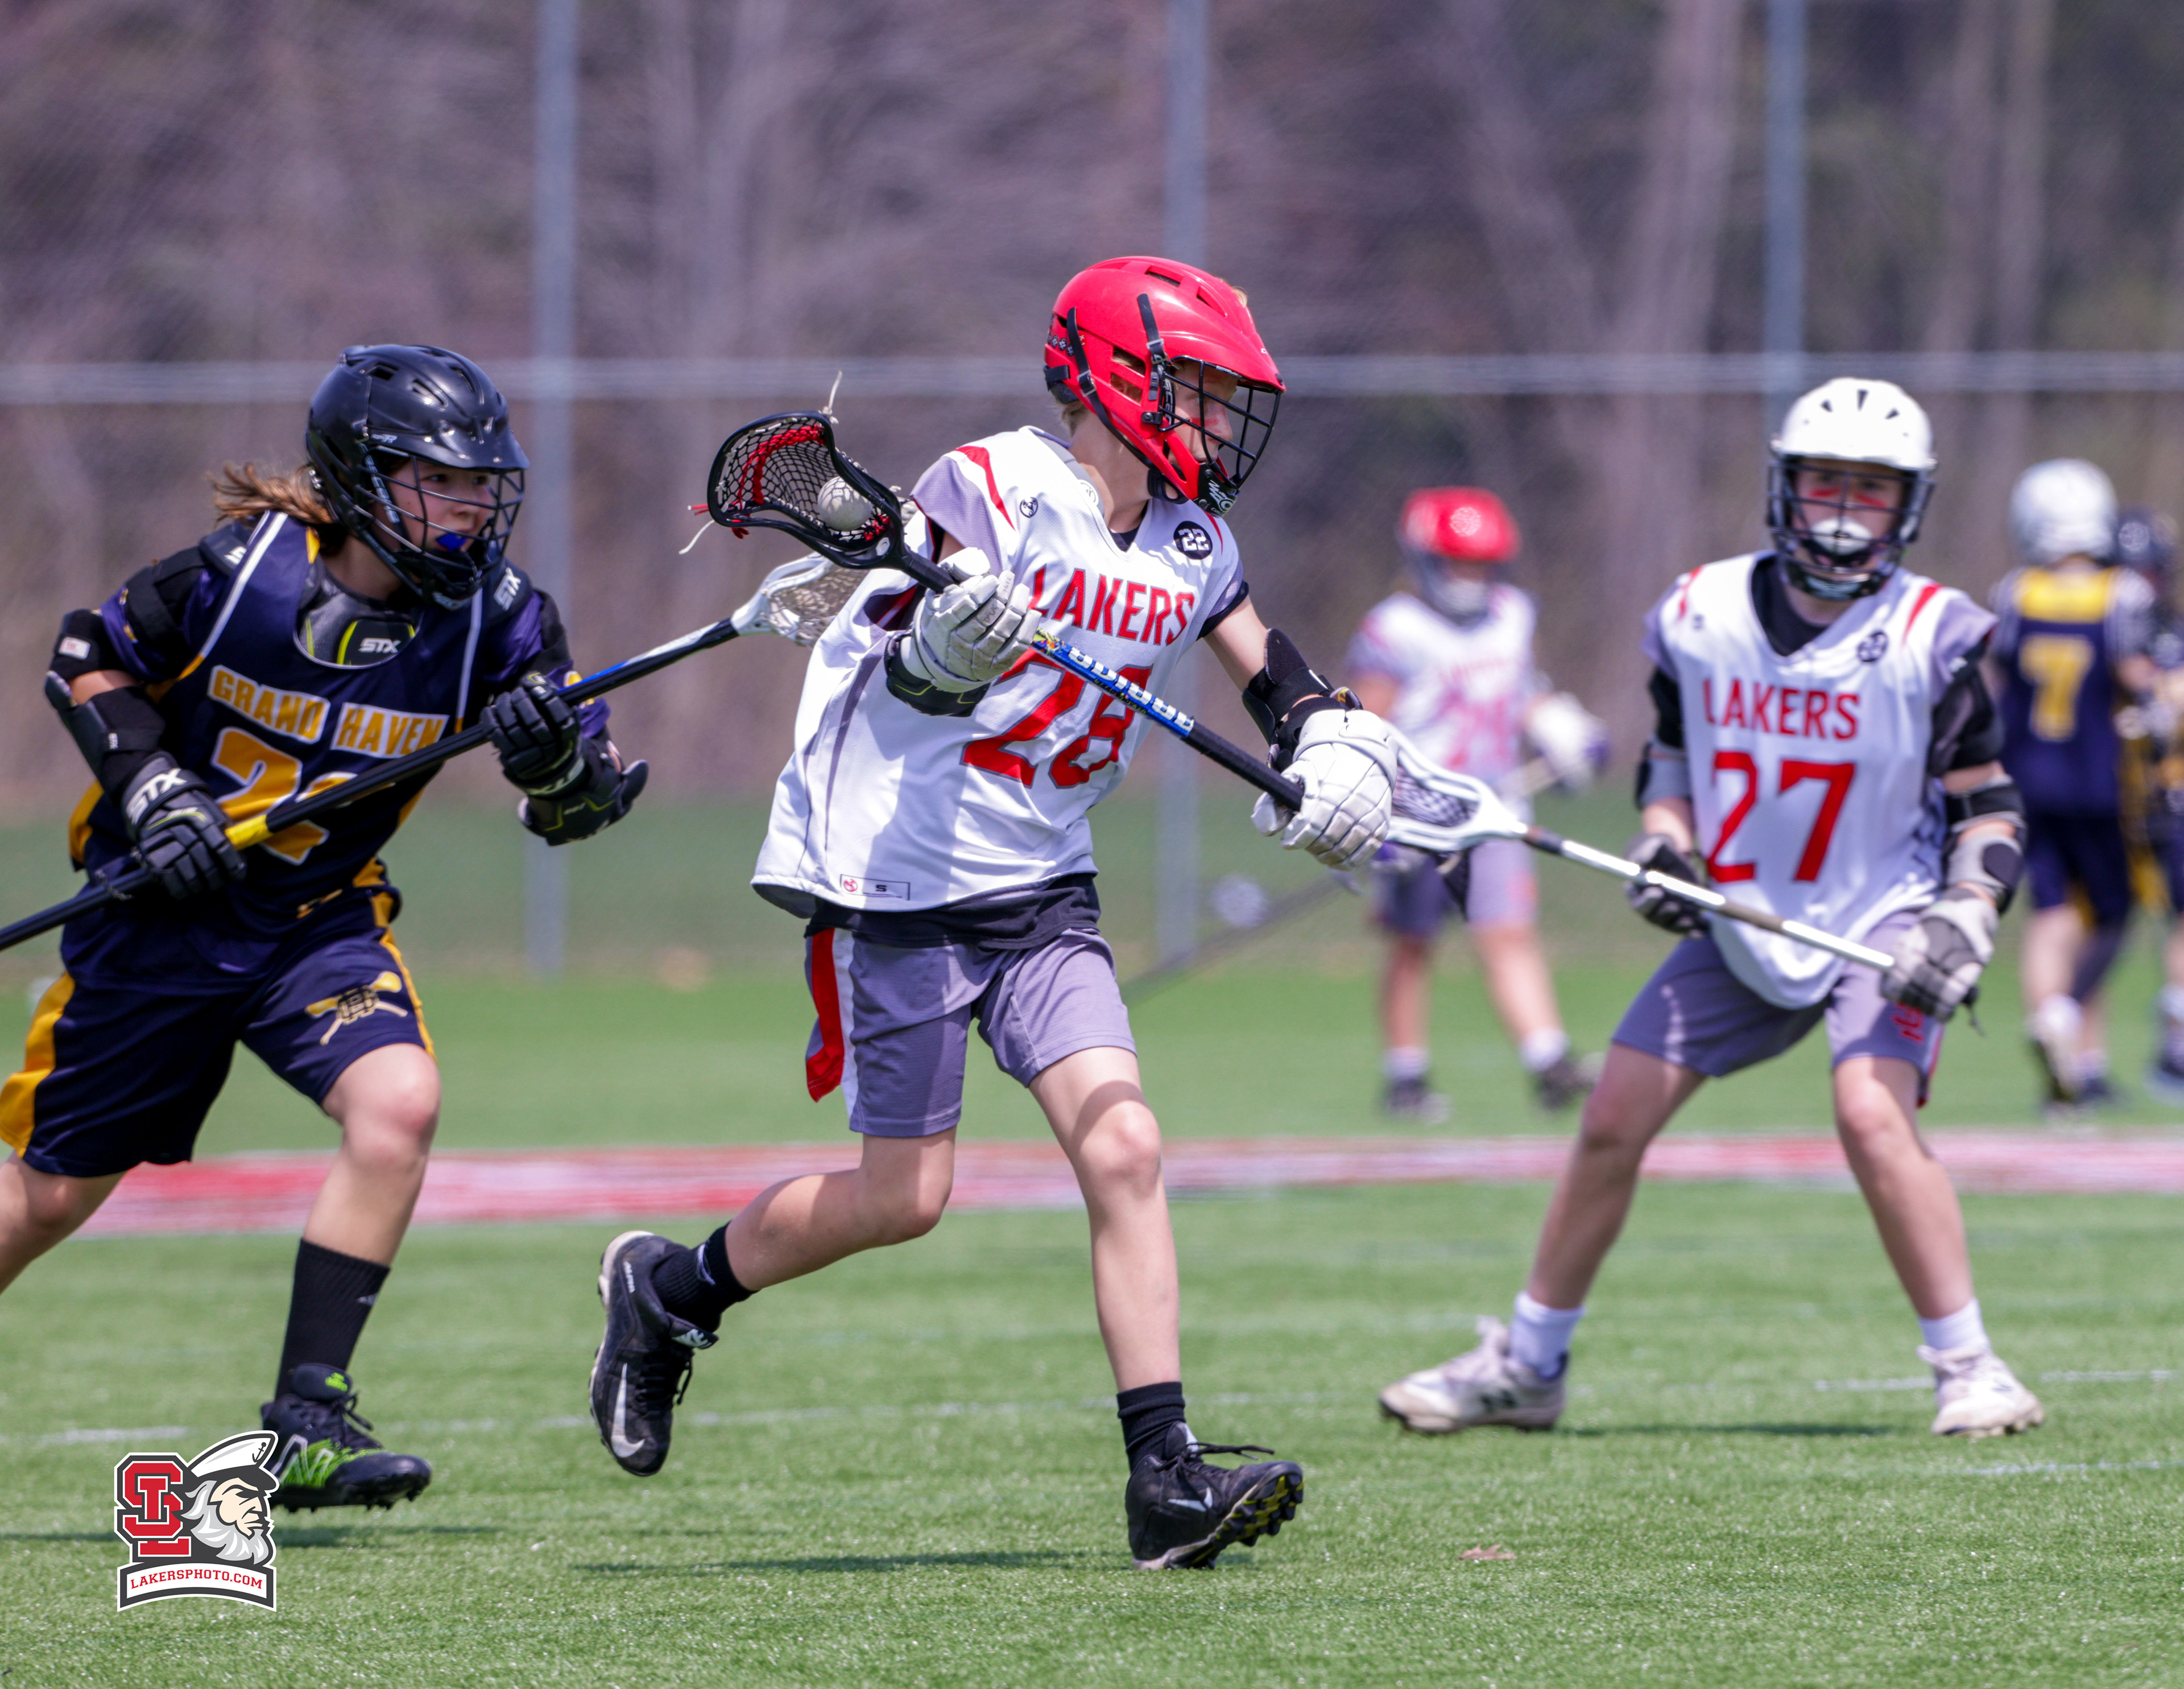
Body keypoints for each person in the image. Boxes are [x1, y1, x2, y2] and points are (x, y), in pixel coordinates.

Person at [583, 255, 1399, 1570]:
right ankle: (668, 1290)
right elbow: (905, 667)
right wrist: (950, 651)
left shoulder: (1193, 539)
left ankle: (1164, 1477)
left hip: (1042, 883)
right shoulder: (990, 487)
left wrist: (1331, 744)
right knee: (903, 1197)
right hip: (904, 877)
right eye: (1199, 392)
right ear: (1119, 385)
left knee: (1124, 1144)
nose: (1219, 422)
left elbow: (1273, 672)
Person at [0, 345, 646, 1510]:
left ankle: (307, 1418)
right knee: (47, 1197)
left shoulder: (502, 622)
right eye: (440, 482)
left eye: (481, 484)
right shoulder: (241, 574)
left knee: (398, 1103)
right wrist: (155, 789)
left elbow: (580, 806)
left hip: (316, 923)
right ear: (360, 478)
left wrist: (554, 756)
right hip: (161, 925)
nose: (470, 508)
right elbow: (87, 655)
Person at [1378, 378, 2046, 1442]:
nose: (1843, 511)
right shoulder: (1703, 613)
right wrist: (1665, 841)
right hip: (1743, 914)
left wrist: (1966, 911)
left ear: (1910, 504)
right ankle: (1529, 1364)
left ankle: (1971, 1366)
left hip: (1882, 909)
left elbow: (1988, 803)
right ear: (1783, 486)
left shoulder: (1936, 633)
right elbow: (1673, 759)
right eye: (1825, 482)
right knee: (1611, 1115)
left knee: (1872, 1111)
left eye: (1871, 489)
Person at [1348, 486, 1607, 1121]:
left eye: (1480, 563)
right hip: (1419, 809)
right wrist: (1376, 814)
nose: (1470, 576)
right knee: (1412, 941)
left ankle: (1548, 1060)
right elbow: (1363, 723)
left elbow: (1522, 694)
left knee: (1508, 930)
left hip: (1494, 805)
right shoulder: (1394, 628)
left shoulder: (1512, 614)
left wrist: (1566, 733)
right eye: (1458, 561)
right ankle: (1405, 1073)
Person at [1987, 461, 2157, 1109]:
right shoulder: (2121, 594)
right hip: (2101, 781)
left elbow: (1996, 683)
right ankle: (2066, 1014)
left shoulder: (2016, 593)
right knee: (2110, 915)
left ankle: (2062, 1038)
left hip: (2027, 778)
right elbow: (2136, 676)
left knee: (2052, 912)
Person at [2113, 507, 2184, 1101]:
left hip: (2169, 795)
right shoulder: (2104, 634)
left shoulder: (2171, 633)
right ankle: (2080, 1063)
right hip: (2118, 798)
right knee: (2095, 924)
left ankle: (2175, 1045)